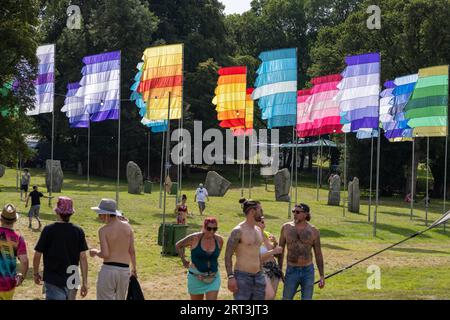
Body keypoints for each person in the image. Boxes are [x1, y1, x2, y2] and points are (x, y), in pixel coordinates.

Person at [33, 196, 89, 300]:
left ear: (57, 212)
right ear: (71, 213)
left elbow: (37, 254)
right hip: (72, 278)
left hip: (53, 278)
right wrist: (85, 282)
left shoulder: (48, 230)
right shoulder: (78, 231)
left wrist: (36, 273)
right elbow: (83, 257)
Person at [89, 199, 137, 300]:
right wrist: (134, 268)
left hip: (109, 270)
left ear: (107, 214)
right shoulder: (128, 228)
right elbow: (132, 251)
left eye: (100, 213)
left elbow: (105, 254)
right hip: (124, 270)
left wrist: (95, 252)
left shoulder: (103, 230)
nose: (99, 216)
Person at [278, 203, 325, 300]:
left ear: (306, 214)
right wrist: (280, 269)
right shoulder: (286, 227)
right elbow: (280, 250)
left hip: (308, 271)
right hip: (291, 269)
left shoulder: (314, 231)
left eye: (298, 212)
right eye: (293, 211)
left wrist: (321, 275)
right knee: (286, 298)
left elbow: (318, 254)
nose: (295, 214)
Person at [225, 198, 265, 300]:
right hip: (242, 277)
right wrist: (230, 277)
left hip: (259, 277)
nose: (262, 213)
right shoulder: (238, 231)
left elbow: (257, 252)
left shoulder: (258, 229)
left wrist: (261, 271)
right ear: (252, 211)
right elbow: (228, 255)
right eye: (260, 210)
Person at [175, 217, 224, 300]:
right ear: (204, 227)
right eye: (209, 228)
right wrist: (183, 260)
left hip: (213, 277)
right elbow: (178, 245)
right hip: (196, 277)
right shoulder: (195, 238)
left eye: (215, 229)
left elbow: (216, 256)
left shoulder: (219, 240)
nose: (212, 231)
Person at [0, 204, 28, 300]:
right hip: (8, 283)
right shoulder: (18, 238)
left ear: (1, 219)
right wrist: (22, 277)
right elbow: (24, 261)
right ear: (14, 220)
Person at [256, 216, 283, 300]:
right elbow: (256, 258)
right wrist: (273, 251)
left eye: (264, 222)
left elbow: (272, 250)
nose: (264, 225)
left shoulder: (266, 234)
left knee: (272, 297)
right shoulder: (253, 238)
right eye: (262, 222)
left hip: (274, 269)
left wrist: (275, 242)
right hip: (263, 269)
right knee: (265, 296)